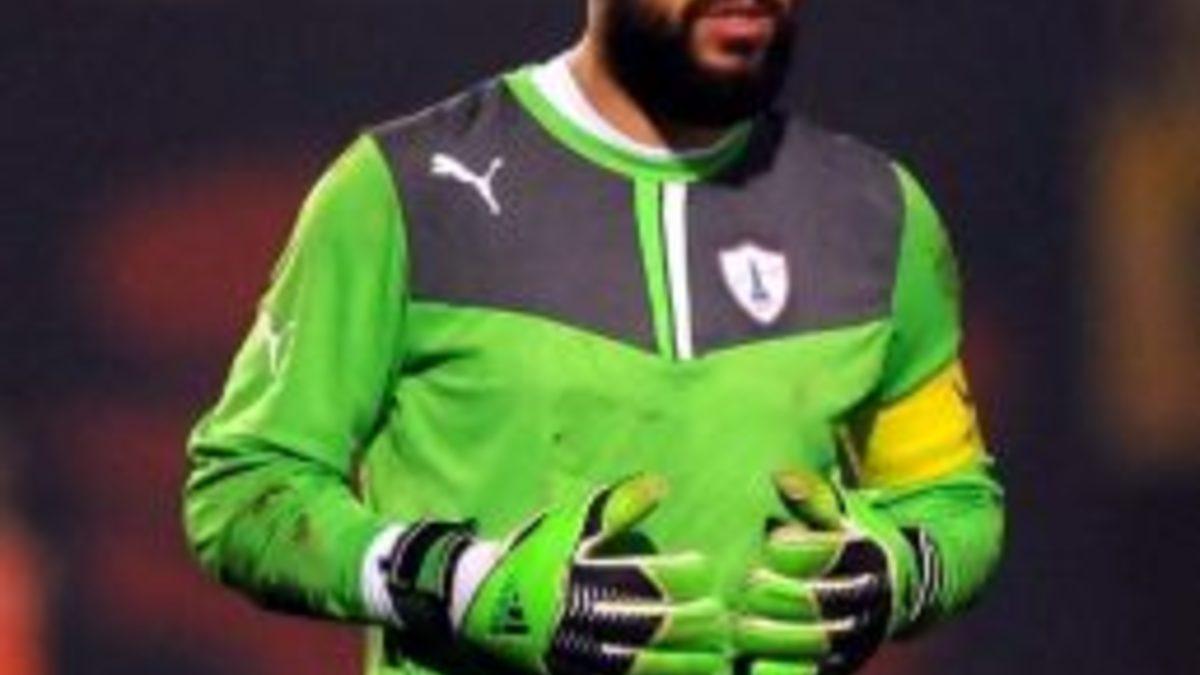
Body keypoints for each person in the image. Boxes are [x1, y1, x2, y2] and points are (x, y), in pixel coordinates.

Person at [183, 1, 1005, 673]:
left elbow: (953, 503)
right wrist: (461, 581)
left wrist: (900, 571)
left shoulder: (877, 212)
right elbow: (245, 490)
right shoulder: (402, 190)